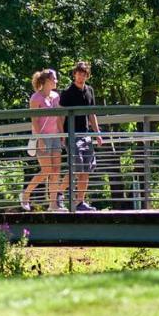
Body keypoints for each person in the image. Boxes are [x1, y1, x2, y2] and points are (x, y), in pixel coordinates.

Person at [58, 61, 103, 211]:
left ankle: (79, 202)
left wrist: (97, 134)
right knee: (76, 168)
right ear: (74, 74)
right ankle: (59, 192)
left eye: (84, 74)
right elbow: (60, 116)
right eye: (78, 73)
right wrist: (62, 135)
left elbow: (91, 114)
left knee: (86, 170)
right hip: (71, 134)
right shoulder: (67, 92)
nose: (81, 76)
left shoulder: (89, 90)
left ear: (87, 75)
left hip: (86, 135)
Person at [20, 69, 63, 211]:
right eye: (54, 79)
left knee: (56, 170)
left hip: (55, 136)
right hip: (42, 137)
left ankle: (53, 205)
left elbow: (58, 117)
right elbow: (35, 121)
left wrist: (62, 134)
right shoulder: (35, 98)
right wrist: (40, 140)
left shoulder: (56, 96)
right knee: (46, 170)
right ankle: (26, 195)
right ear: (46, 81)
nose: (56, 81)